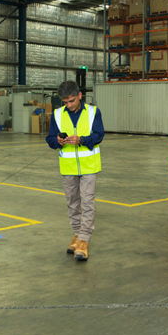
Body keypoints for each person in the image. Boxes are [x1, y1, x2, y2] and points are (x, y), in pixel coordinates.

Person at [46, 81, 104, 261]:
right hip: (68, 167)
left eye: (71, 101)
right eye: (65, 102)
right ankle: (77, 235)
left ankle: (84, 240)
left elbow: (99, 135)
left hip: (89, 166)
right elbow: (49, 139)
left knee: (87, 202)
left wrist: (82, 139)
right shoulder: (57, 115)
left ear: (79, 96)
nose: (68, 105)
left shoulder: (93, 112)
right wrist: (58, 141)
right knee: (72, 203)